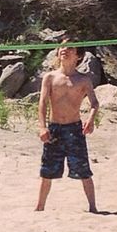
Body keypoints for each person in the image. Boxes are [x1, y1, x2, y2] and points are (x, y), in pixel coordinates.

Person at [35, 43, 99, 213]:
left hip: (74, 129)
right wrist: (42, 127)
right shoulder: (50, 77)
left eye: (70, 48)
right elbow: (42, 103)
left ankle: (93, 207)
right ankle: (39, 207)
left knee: (83, 170)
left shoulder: (83, 79)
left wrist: (91, 119)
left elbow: (94, 103)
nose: (64, 50)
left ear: (78, 56)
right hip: (54, 128)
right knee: (47, 171)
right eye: (62, 47)